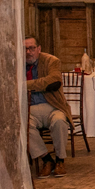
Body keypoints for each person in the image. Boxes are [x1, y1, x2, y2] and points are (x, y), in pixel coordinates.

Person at [25, 35, 72, 178]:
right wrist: (41, 84)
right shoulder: (17, 64)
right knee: (23, 126)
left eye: (32, 48)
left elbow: (54, 81)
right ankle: (46, 160)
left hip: (52, 105)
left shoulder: (51, 61)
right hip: (29, 109)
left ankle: (60, 160)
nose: (28, 52)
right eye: (25, 49)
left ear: (38, 49)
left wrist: (25, 85)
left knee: (59, 121)